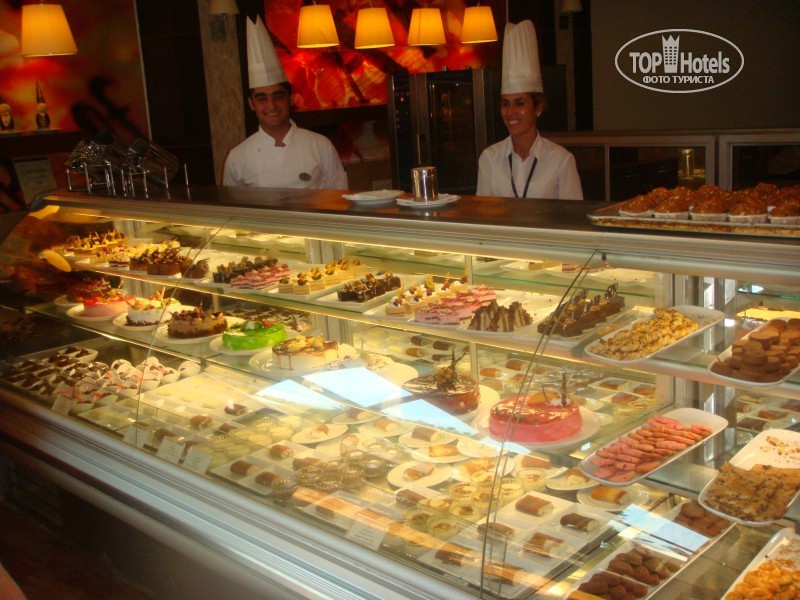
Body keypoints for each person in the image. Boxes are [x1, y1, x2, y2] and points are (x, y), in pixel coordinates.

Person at [223, 17, 347, 190]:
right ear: (251, 104)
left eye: (278, 96)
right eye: (262, 99)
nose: (272, 106)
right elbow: (232, 205)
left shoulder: (320, 146)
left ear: (290, 98)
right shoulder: (237, 157)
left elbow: (340, 197)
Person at [477, 21, 582, 200]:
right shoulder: (489, 159)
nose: (511, 112)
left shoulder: (561, 161)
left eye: (519, 103)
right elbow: (481, 214)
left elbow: (574, 215)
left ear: (538, 107)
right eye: (505, 103)